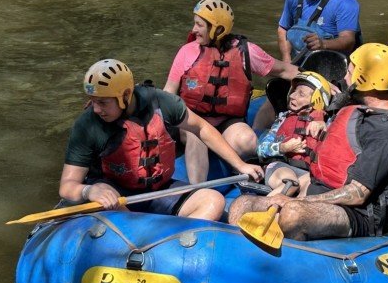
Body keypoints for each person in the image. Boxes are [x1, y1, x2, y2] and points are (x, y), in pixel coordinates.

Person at [228, 43, 388, 240]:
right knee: (242, 204)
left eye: (351, 69)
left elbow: (357, 193)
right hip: (318, 191)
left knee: (293, 214)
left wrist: (302, 203)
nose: (346, 75)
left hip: (358, 215)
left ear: (366, 77)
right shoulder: (356, 109)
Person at [59, 58, 264, 221]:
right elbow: (67, 185)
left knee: (213, 200)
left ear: (125, 95)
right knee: (113, 207)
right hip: (115, 197)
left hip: (159, 191)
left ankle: (170, 246)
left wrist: (240, 164)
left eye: (102, 102)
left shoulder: (160, 102)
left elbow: (202, 128)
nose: (96, 109)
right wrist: (89, 190)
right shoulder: (88, 125)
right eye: (93, 102)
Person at [164, 0, 298, 183]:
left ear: (218, 29)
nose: (193, 30)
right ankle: (198, 190)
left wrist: (317, 80)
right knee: (197, 135)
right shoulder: (187, 52)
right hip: (192, 121)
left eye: (199, 25)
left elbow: (284, 70)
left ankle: (250, 173)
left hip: (227, 121)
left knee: (247, 139)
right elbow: (169, 92)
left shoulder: (246, 52)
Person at [256, 71, 331, 196]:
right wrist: (283, 147)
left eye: (301, 94)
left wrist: (325, 128)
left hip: (308, 172)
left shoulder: (327, 124)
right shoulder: (282, 119)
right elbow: (260, 149)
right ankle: (263, 209)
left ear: (317, 99)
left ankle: (294, 213)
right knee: (290, 184)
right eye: (294, 91)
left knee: (310, 187)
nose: (292, 96)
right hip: (280, 166)